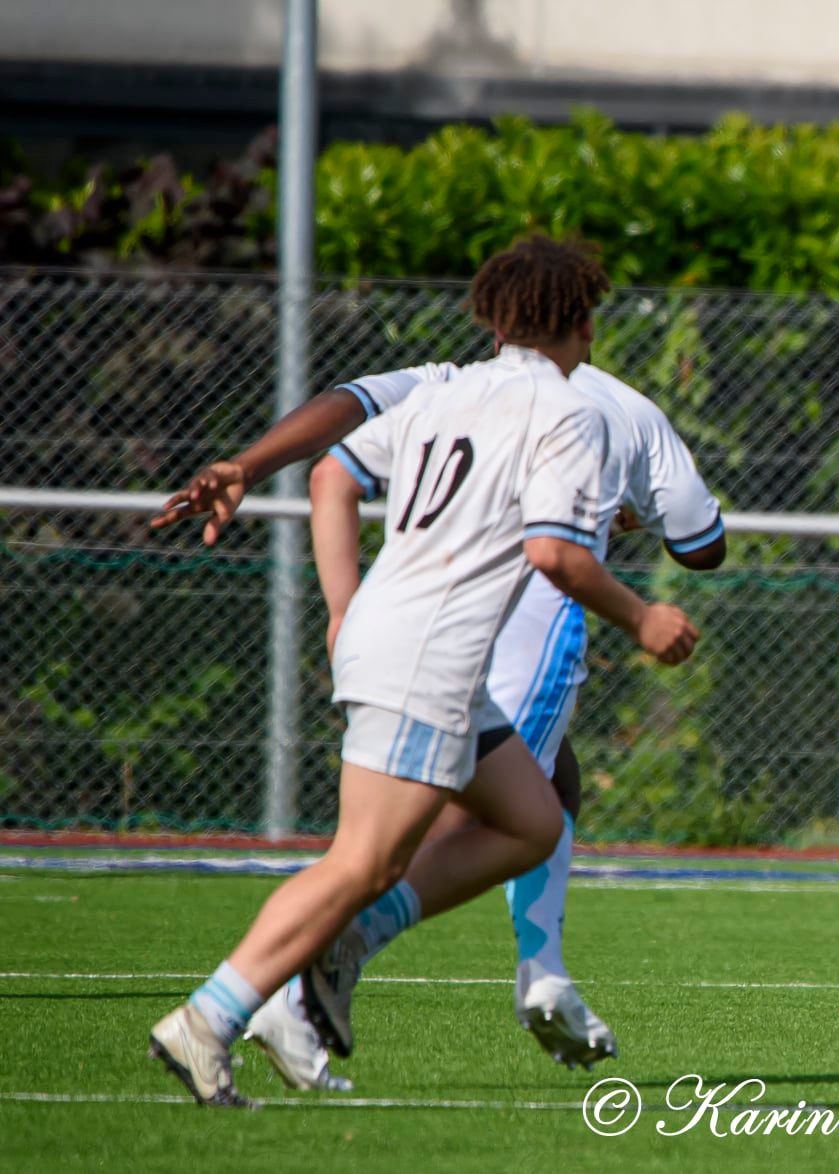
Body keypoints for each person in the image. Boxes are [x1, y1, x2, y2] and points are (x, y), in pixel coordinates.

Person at [146, 235, 699, 1106]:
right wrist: (643, 616)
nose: (594, 337)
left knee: (533, 818)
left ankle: (347, 943)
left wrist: (339, 608)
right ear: (578, 320)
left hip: (404, 640)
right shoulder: (568, 412)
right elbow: (554, 552)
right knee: (363, 861)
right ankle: (212, 1015)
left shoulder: (449, 390)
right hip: (429, 654)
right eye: (591, 318)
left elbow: (336, 472)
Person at [245, 356, 723, 1087]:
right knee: (426, 832)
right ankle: (286, 992)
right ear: (583, 326)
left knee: (547, 782)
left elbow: (342, 420)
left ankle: (544, 969)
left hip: (418, 615)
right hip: (526, 623)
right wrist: (618, 518)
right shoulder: (623, 411)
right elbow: (701, 547)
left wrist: (246, 466)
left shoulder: (453, 378)